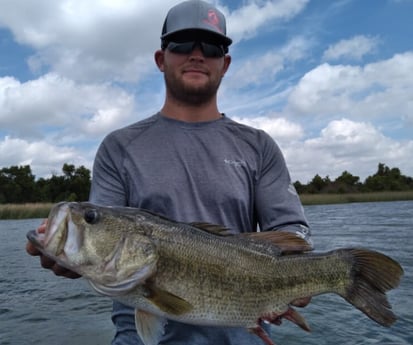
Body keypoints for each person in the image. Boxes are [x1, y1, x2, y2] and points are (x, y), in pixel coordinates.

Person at [26, 0, 312, 344]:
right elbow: (103, 253)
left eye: (211, 46)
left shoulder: (259, 146)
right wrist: (74, 260)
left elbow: (291, 234)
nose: (196, 54)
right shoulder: (119, 147)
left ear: (226, 63)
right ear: (161, 59)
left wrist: (297, 281)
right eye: (181, 44)